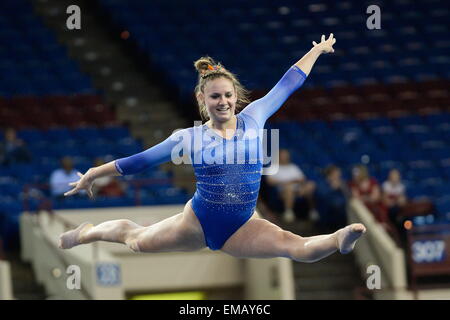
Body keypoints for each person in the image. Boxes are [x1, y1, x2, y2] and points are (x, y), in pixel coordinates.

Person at [60, 34, 366, 263]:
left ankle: (338, 238)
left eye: (228, 95)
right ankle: (88, 232)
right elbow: (138, 162)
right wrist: (93, 174)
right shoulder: (189, 139)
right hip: (196, 223)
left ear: (236, 96)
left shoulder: (255, 116)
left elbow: (288, 83)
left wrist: (315, 51)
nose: (223, 102)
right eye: (215, 97)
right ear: (202, 101)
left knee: (291, 245)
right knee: (136, 240)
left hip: (241, 226)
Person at [265, 149, 316, 223]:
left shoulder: (293, 167)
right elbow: (269, 181)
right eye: (282, 155)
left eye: (286, 155)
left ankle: (313, 211)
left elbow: (302, 179)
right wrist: (288, 182)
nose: (285, 157)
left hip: (298, 189)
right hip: (282, 191)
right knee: (289, 188)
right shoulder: (273, 167)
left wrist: (300, 185)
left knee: (311, 185)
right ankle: (289, 212)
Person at [315, 165, 348, 230]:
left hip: (341, 216)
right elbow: (321, 196)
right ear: (330, 175)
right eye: (336, 175)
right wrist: (332, 188)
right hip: (327, 214)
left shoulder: (341, 184)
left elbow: (348, 196)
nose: (338, 177)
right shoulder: (321, 183)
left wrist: (344, 188)